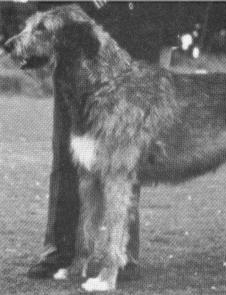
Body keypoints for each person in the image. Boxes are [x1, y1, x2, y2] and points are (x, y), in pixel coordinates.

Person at [26, 1, 140, 280]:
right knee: (67, 159)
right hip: (70, 57)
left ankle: (124, 256)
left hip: (122, 56)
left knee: (121, 168)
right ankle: (60, 252)